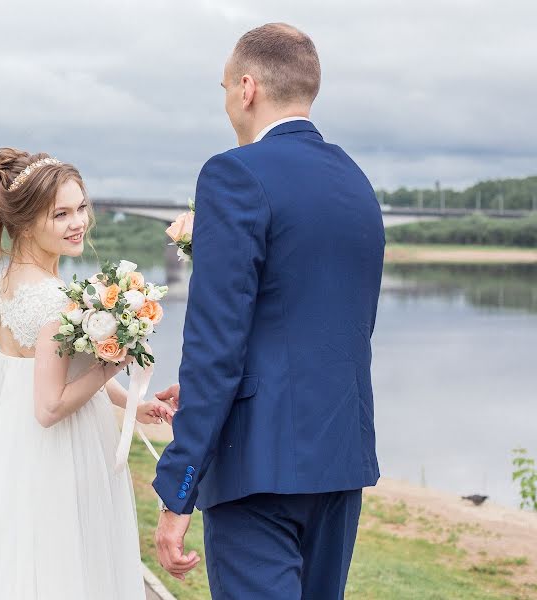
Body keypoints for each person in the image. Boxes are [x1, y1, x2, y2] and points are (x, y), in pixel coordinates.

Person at [152, 23, 385, 599]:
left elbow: (215, 342)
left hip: (257, 464)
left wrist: (179, 485)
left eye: (225, 85)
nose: (227, 98)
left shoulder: (234, 173)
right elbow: (331, 325)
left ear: (248, 88)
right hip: (338, 460)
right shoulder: (356, 182)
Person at [0, 148, 173, 599]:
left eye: (81, 207)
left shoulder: (12, 280)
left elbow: (54, 372)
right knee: (59, 567)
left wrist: (133, 404)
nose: (78, 222)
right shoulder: (51, 299)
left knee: (12, 557)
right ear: (26, 222)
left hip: (12, 444)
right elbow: (50, 406)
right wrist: (113, 365)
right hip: (55, 449)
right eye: (61, 214)